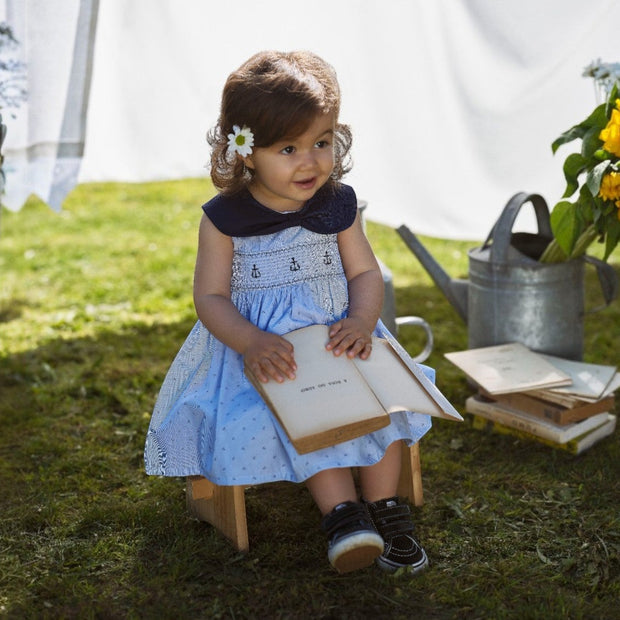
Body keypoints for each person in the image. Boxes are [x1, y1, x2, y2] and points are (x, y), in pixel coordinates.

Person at [144, 50, 433, 575]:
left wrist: (363, 321)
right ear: (246, 151)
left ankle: (386, 509)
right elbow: (209, 298)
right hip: (269, 352)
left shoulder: (336, 205)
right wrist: (251, 342)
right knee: (306, 412)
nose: (310, 161)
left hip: (342, 337)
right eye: (289, 148)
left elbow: (365, 274)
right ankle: (343, 515)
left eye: (321, 142)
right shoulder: (224, 220)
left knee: (386, 404)